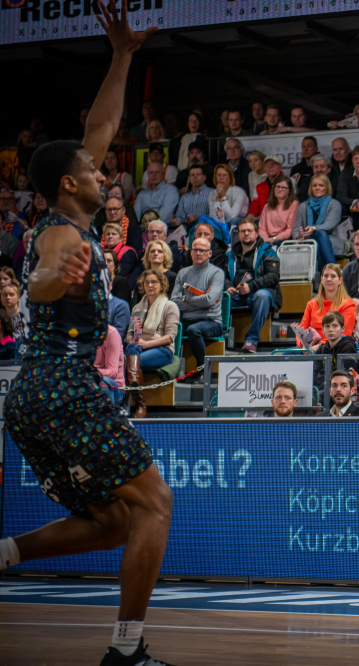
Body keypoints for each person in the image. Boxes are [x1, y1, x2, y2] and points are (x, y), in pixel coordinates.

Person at [0, 7, 175, 665]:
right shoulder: (58, 233)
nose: (106, 171)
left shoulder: (65, 204)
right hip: (66, 389)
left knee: (112, 523)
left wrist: (123, 55)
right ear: (70, 182)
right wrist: (55, 280)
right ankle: (126, 654)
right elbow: (42, 278)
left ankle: (6, 553)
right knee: (155, 503)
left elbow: (100, 126)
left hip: (31, 399)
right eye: (95, 170)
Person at [124, 270, 179, 417]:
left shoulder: (170, 306)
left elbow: (170, 337)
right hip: (138, 347)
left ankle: (137, 404)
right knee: (131, 351)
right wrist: (133, 340)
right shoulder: (137, 308)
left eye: (154, 282)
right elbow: (130, 334)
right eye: (146, 282)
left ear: (162, 285)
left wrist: (147, 344)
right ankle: (138, 404)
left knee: (132, 362)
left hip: (162, 350)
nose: (150, 285)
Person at [171, 236, 224, 382]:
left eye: (202, 250)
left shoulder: (216, 273)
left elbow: (210, 300)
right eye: (195, 250)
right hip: (187, 319)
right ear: (190, 252)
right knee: (168, 327)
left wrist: (186, 299)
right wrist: (200, 301)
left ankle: (202, 370)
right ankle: (171, 371)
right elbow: (174, 301)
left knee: (194, 330)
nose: (198, 253)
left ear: (210, 253)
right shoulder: (183, 273)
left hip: (211, 320)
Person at [224, 218, 280, 353]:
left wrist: (251, 286)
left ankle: (251, 340)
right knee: (219, 297)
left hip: (259, 293)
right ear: (238, 235)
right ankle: (220, 338)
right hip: (236, 295)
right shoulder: (230, 255)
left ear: (256, 234)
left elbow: (273, 276)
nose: (246, 233)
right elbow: (223, 276)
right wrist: (228, 286)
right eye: (243, 231)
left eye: (249, 230)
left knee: (262, 296)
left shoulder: (267, 251)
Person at [292, 173, 344, 270]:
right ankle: (331, 270)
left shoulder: (334, 204)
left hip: (329, 240)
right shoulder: (303, 206)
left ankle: (330, 269)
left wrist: (314, 228)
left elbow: (330, 224)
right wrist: (298, 238)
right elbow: (296, 228)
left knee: (320, 236)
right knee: (315, 243)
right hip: (307, 240)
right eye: (314, 185)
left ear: (326, 187)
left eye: (321, 185)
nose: (317, 188)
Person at [256, 175, 298, 245]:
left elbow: (290, 229)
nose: (280, 189)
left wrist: (274, 239)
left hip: (283, 240)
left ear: (289, 191)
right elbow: (262, 228)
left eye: (283, 187)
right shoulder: (267, 206)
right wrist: (265, 239)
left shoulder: (294, 204)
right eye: (278, 187)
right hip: (267, 239)